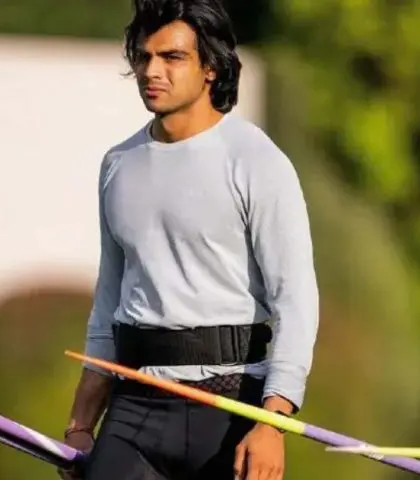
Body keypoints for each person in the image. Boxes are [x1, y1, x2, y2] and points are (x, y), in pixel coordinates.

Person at [58, 1, 319, 479]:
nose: (150, 70)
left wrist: (272, 424)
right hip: (133, 407)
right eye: (143, 56)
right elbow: (108, 302)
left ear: (210, 68)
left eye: (171, 57)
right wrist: (80, 423)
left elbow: (296, 300)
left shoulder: (257, 161)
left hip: (230, 411)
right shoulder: (118, 165)